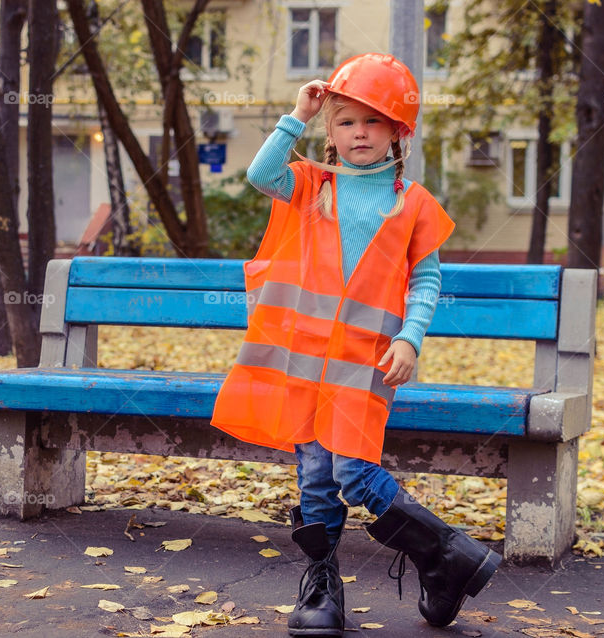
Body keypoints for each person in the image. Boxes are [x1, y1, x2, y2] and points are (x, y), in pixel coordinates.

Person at [209, 53, 501, 636]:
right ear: (329, 131)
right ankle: (324, 587)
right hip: (302, 360)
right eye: (345, 121)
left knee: (354, 476)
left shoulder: (411, 202)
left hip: (364, 362)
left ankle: (446, 552)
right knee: (315, 475)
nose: (359, 132)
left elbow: (426, 277)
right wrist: (297, 114)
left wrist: (410, 338)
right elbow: (261, 175)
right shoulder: (312, 185)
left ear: (399, 132)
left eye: (373, 121)